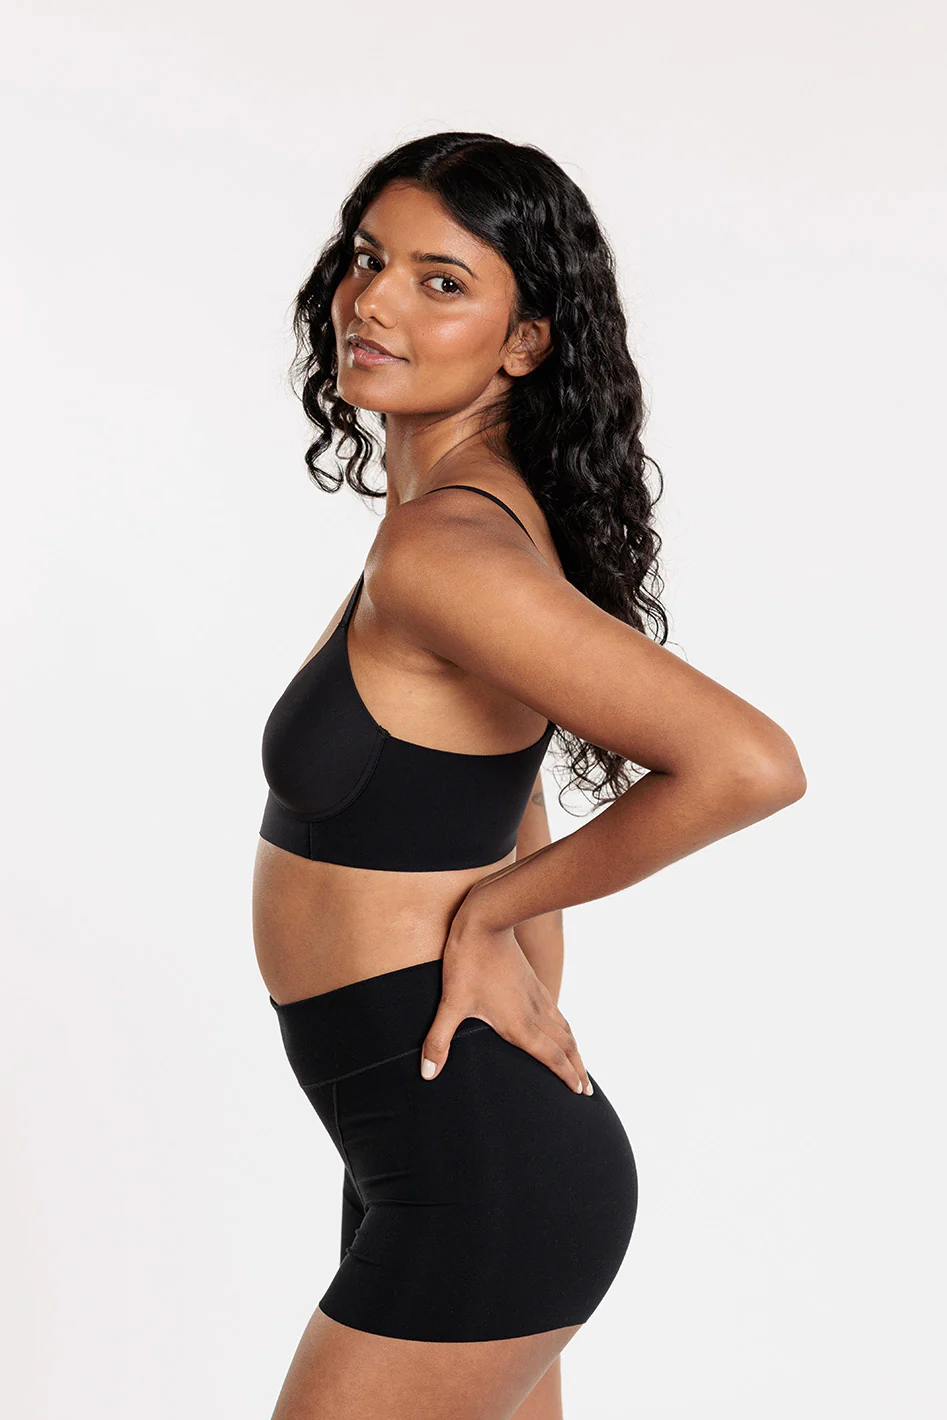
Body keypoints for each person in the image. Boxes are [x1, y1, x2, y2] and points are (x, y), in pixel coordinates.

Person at [252, 132, 806, 1420]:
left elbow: (747, 764)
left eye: (442, 282)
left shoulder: (445, 549)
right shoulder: (468, 524)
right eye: (368, 259)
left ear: (526, 342)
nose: (374, 301)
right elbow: (513, 798)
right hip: (435, 1143)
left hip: (473, 1169)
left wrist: (488, 918)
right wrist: (512, 960)